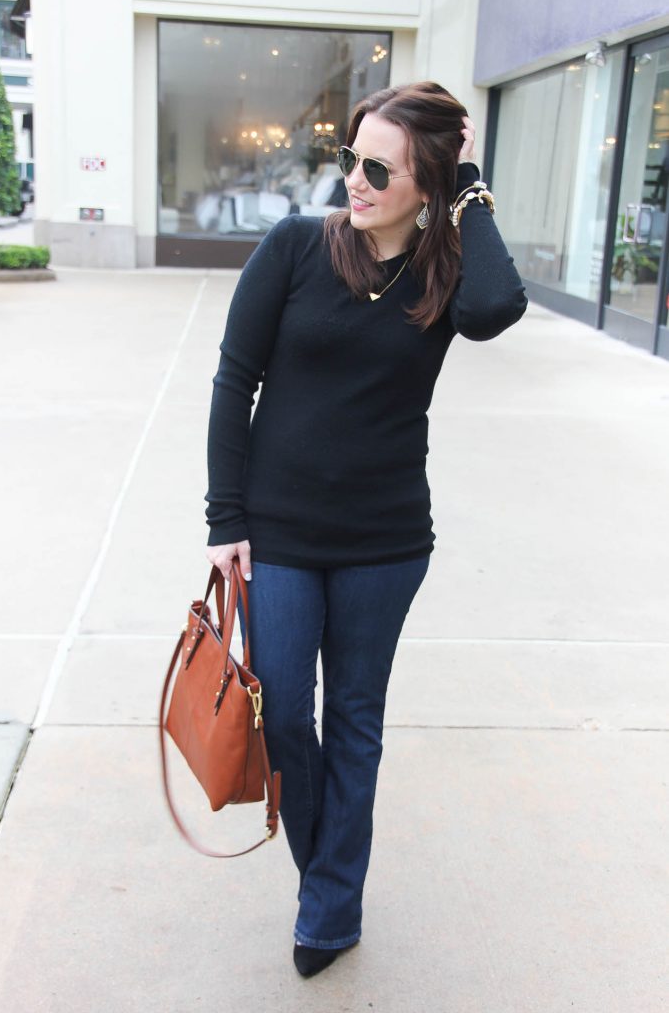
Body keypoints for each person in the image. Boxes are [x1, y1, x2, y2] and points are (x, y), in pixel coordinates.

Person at [204, 81, 527, 978]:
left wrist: (467, 182)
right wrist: (222, 518)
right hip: (280, 534)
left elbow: (497, 310)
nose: (354, 177)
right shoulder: (296, 248)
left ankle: (328, 907)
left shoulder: (445, 273)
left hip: (385, 542)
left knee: (354, 720)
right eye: (350, 157)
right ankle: (328, 870)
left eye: (379, 166)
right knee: (287, 721)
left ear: (423, 182)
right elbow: (235, 383)